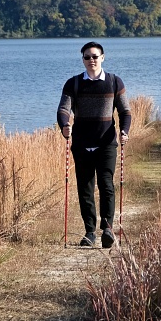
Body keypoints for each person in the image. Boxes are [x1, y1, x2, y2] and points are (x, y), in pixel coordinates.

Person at [57, 41, 132, 248]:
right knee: (85, 188)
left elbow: (125, 111)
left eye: (95, 56)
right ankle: (89, 232)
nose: (91, 60)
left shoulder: (114, 82)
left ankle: (107, 229)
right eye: (87, 57)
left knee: (106, 185)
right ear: (83, 60)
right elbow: (64, 109)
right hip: (82, 143)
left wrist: (124, 131)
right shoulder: (73, 84)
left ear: (102, 58)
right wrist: (64, 125)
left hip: (106, 143)